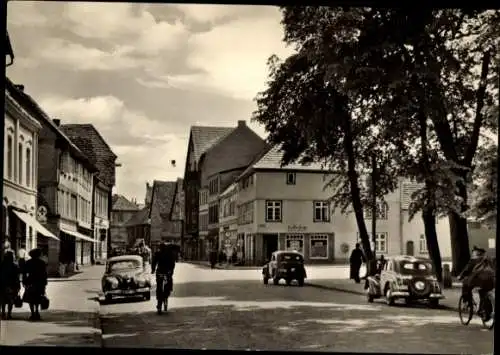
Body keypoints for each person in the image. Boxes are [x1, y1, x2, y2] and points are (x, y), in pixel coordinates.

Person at [458, 246, 495, 321]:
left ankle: (466, 301)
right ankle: (484, 311)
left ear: (476, 253)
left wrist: (460, 276)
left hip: (478, 280)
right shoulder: (489, 259)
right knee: (484, 293)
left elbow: (466, 270)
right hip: (491, 280)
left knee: (466, 284)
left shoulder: (474, 260)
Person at [22, 248, 48, 321]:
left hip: (30, 282)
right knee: (38, 297)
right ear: (38, 255)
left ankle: (33, 313)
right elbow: (44, 274)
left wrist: (24, 282)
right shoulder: (42, 263)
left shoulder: (28, 262)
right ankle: (36, 311)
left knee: (31, 298)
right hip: (39, 282)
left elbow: (24, 273)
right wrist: (44, 282)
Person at [151, 242, 177, 314]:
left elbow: (154, 262)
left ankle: (161, 301)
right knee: (162, 286)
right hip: (164, 272)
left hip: (162, 272)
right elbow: (172, 264)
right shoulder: (169, 254)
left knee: (161, 286)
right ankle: (163, 299)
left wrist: (153, 270)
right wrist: (171, 271)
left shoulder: (159, 253)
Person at [0, 250, 21, 319]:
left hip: (3, 285)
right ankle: (9, 314)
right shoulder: (14, 266)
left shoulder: (2, 265)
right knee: (10, 300)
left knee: (2, 299)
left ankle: (3, 313)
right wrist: (18, 285)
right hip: (12, 285)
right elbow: (17, 276)